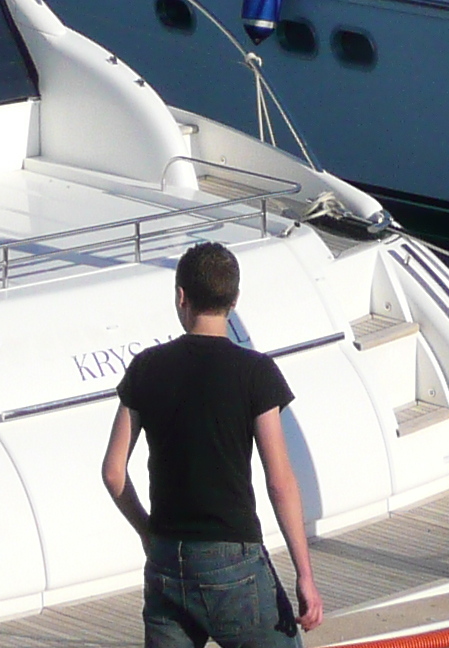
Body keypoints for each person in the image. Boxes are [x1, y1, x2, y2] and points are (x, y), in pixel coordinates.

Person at [103, 243, 324, 647]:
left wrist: (148, 533)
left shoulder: (146, 367)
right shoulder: (255, 372)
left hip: (168, 558)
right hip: (233, 562)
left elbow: (113, 472)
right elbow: (280, 483)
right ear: (234, 300)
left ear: (181, 297)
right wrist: (304, 576)